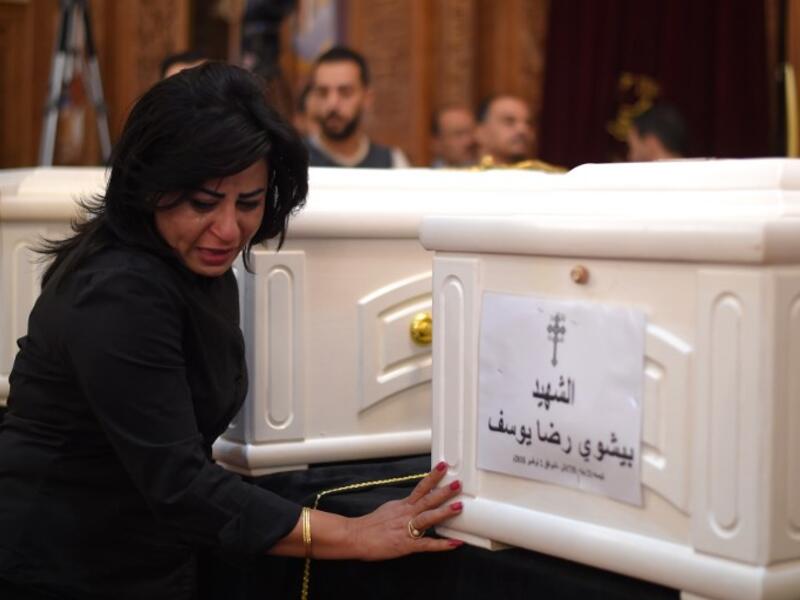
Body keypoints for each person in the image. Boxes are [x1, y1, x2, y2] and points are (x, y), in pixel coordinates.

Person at [0, 62, 462, 599]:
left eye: (249, 203)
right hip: (61, 564)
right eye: (203, 203)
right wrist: (354, 534)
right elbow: (180, 484)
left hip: (143, 554)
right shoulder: (118, 290)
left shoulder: (191, 264)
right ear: (149, 186)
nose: (227, 230)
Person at [305, 46, 410, 168]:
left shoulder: (392, 163)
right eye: (323, 92)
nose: (332, 104)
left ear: (367, 98)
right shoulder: (291, 160)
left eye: (345, 92)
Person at [475, 94, 535, 166]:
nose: (522, 130)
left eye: (529, 123)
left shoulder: (542, 172)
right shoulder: (465, 172)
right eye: (509, 121)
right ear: (480, 131)